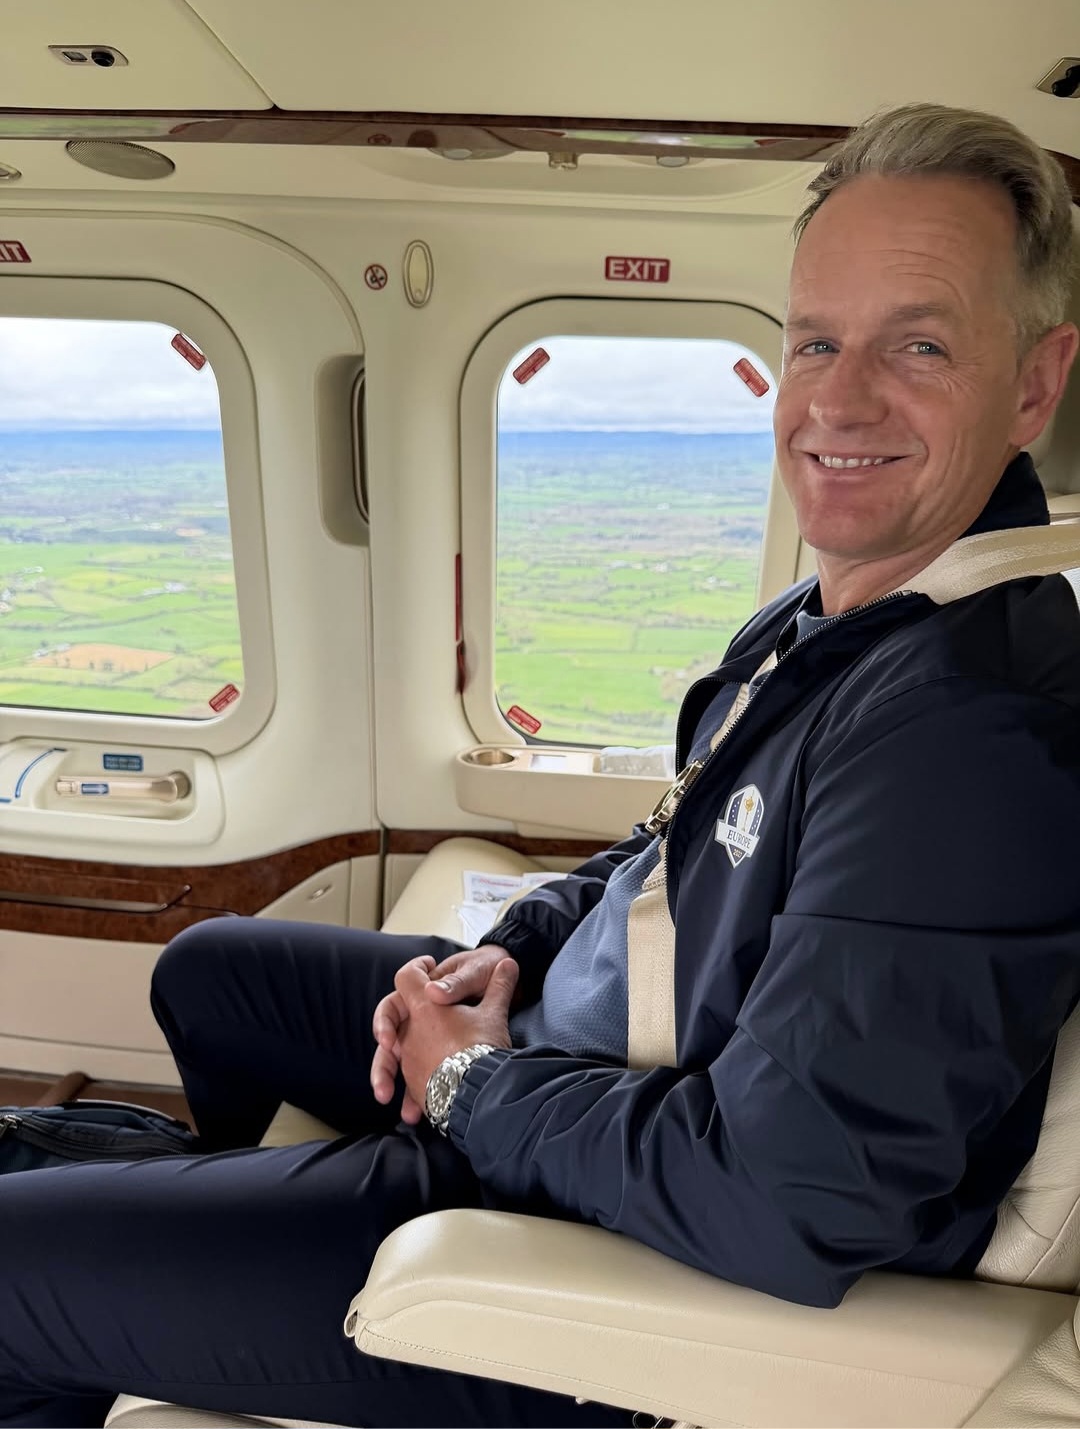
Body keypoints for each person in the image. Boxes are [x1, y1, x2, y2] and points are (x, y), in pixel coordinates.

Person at [1, 101, 1079, 1428]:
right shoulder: (842, 616)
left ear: (1035, 383)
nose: (837, 399)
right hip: (574, 1069)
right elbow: (665, 842)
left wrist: (471, 1083)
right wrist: (510, 952)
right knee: (216, 972)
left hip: (601, 1229)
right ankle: (196, 1263)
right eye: (815, 340)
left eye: (919, 344)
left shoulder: (970, 732)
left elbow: (795, 1195)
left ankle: (144, 1315)